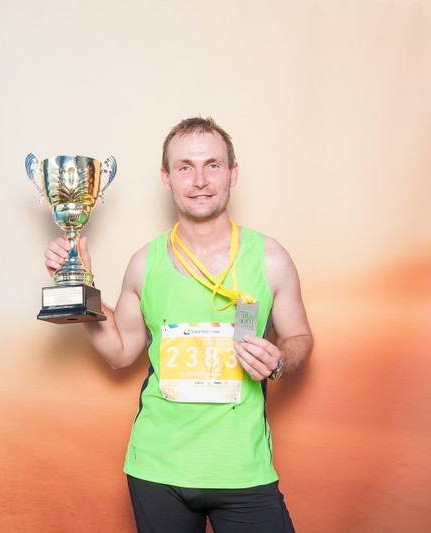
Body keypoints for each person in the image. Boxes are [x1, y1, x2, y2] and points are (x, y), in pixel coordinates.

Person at [44, 117, 314, 532]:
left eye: (212, 165)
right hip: (157, 468)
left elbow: (299, 337)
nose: (200, 180)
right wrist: (81, 286)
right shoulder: (144, 263)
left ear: (232, 173)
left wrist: (280, 361)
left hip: (242, 467)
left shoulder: (270, 258)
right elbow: (120, 353)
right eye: (185, 167)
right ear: (167, 178)